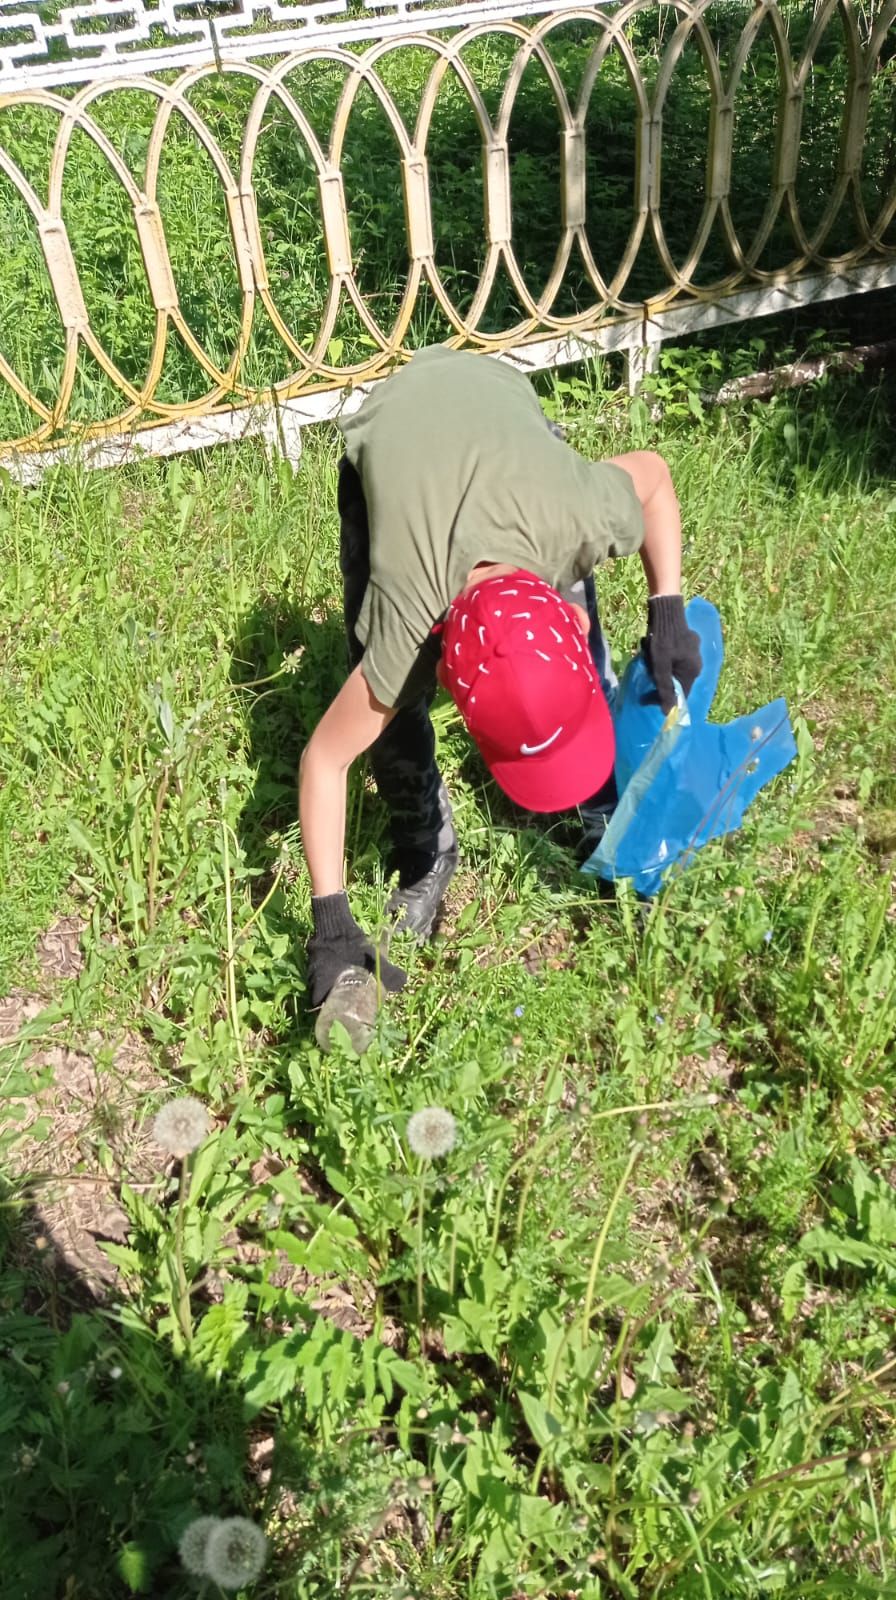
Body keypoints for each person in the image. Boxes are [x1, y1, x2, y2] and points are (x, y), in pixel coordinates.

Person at [300, 345, 702, 1017]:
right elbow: (324, 759)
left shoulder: (576, 515)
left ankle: (598, 802)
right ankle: (425, 840)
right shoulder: (408, 627)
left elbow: (655, 478)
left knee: (577, 650)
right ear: (450, 681)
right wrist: (331, 925)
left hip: (502, 416)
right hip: (395, 430)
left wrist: (669, 615)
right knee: (386, 708)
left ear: (569, 616)